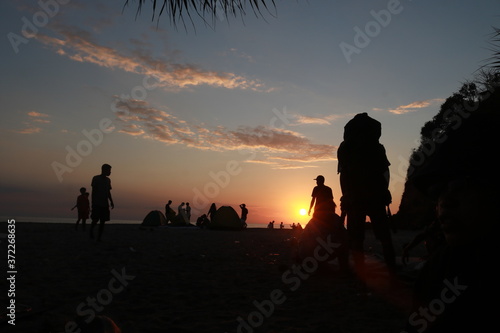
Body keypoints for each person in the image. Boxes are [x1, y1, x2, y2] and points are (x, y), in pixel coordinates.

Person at [337, 113, 396, 272]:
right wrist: (385, 191)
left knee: (357, 239)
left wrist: (346, 195)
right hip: (375, 196)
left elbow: (343, 175)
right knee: (384, 238)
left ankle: (360, 273)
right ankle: (392, 270)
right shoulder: (377, 147)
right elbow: (385, 172)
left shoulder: (345, 148)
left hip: (356, 198)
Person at [89, 164, 114, 242]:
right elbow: (93, 191)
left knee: (103, 221)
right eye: (109, 170)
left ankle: (99, 238)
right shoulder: (96, 178)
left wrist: (111, 201)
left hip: (105, 204)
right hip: (97, 203)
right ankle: (91, 230)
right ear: (103, 170)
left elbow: (108, 192)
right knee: (95, 219)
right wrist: (93, 202)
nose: (110, 172)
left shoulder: (108, 180)